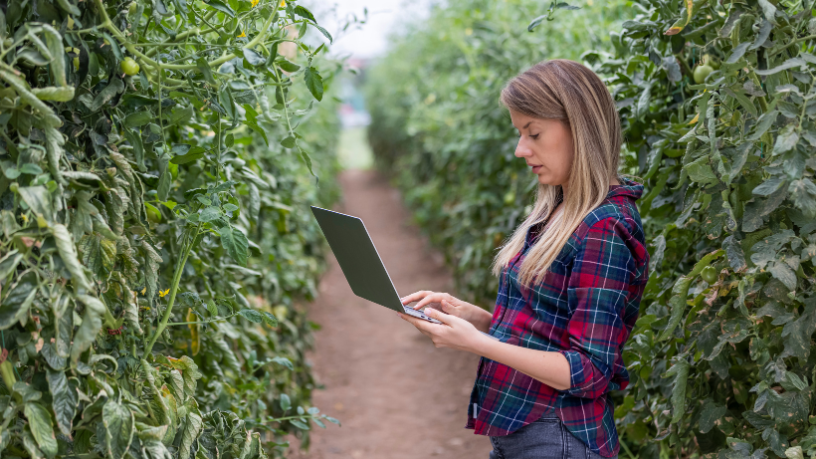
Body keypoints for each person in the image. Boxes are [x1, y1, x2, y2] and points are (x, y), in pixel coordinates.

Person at [396, 59, 650, 459]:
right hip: (525, 432)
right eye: (520, 134)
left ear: (580, 127)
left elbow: (589, 370)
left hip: (559, 436)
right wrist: (478, 320)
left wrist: (480, 343)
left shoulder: (604, 227)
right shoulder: (562, 211)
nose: (521, 149)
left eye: (533, 133)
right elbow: (548, 331)